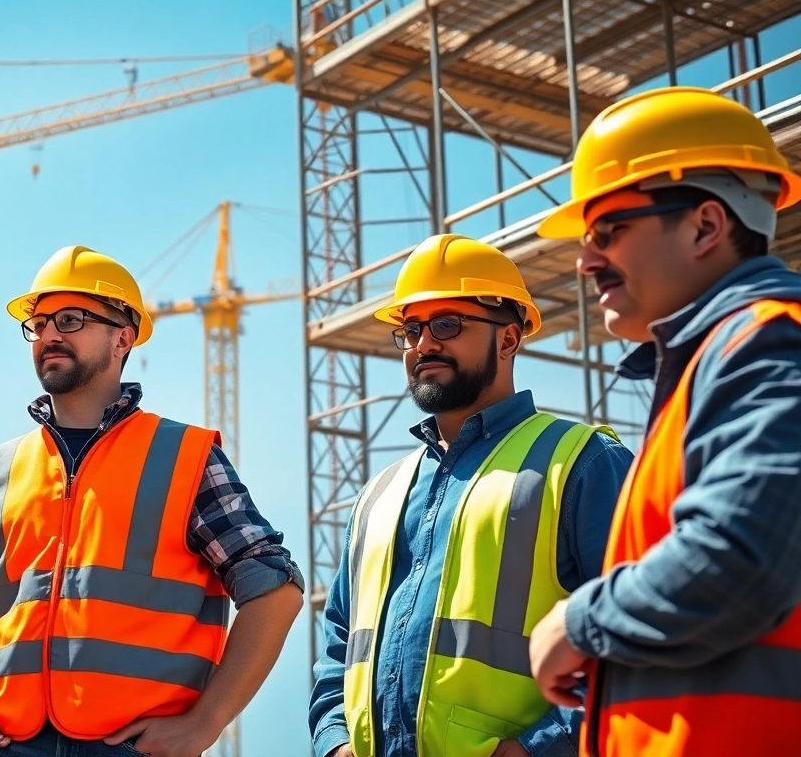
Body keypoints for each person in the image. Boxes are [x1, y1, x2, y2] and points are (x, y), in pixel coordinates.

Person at [0, 245, 305, 757]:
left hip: (130, 746)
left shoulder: (184, 458)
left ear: (123, 338)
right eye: (38, 324)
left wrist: (205, 723)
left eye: (70, 319)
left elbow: (275, 591)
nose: (49, 335)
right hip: (5, 744)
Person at [528, 86, 801, 756]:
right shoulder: (718, 360)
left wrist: (578, 622)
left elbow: (739, 558)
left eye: (608, 230)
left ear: (707, 226)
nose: (586, 260)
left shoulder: (767, 344)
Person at [309, 234, 633, 757]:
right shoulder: (380, 494)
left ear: (508, 339)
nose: (423, 345)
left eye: (446, 324)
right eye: (411, 330)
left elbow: (638, 633)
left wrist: (537, 748)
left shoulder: (583, 462)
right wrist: (334, 744)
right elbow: (339, 647)